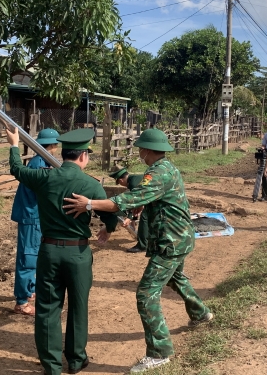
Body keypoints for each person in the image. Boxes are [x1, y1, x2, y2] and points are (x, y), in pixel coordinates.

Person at [63, 128, 213, 374]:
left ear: (146, 150)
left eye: (141, 149)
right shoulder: (166, 169)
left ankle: (159, 352)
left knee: (146, 295)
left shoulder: (158, 174)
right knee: (176, 278)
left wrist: (89, 203)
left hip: (171, 242)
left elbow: (127, 199)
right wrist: (136, 211)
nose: (140, 153)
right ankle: (200, 313)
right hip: (178, 238)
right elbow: (148, 199)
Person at [5, 126, 119, 375]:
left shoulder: (45, 177)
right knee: (78, 307)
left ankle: (52, 366)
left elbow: (17, 170)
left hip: (48, 252)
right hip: (78, 254)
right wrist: (107, 230)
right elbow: (110, 215)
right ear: (83, 156)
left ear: (65, 154)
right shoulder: (90, 185)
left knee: (47, 309)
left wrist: (14, 144)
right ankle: (76, 360)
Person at [10, 128, 60, 316]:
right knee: (28, 257)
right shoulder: (40, 164)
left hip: (34, 215)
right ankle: (21, 301)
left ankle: (29, 289)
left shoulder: (41, 161)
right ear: (52, 146)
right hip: (32, 216)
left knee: (33, 255)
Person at [109, 166, 148, 253]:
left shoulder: (133, 184)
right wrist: (133, 220)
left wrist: (129, 218)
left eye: (118, 182)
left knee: (145, 217)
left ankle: (143, 246)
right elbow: (137, 203)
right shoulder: (135, 179)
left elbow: (134, 202)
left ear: (120, 180)